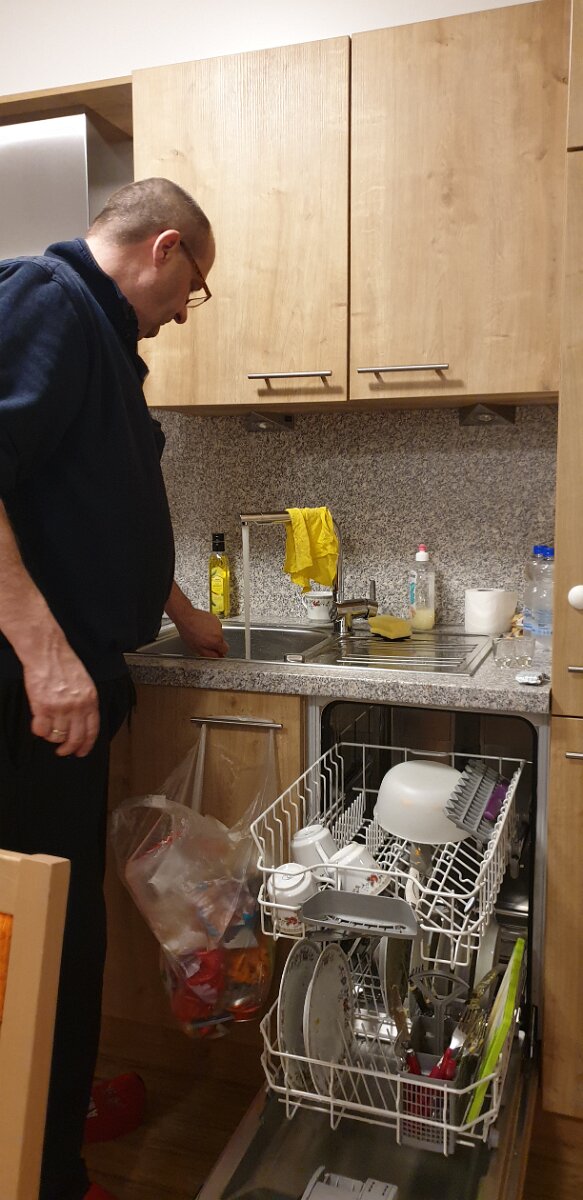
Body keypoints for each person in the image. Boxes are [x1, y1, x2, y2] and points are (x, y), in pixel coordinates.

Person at [0, 177, 228, 1200]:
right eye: (194, 287)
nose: (185, 311)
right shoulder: (48, 300)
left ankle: (43, 1124)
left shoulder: (98, 342)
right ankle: (42, 1171)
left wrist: (178, 607)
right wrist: (46, 658)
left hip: (58, 684)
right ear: (164, 247)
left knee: (58, 930)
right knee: (44, 936)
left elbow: (91, 501)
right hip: (27, 691)